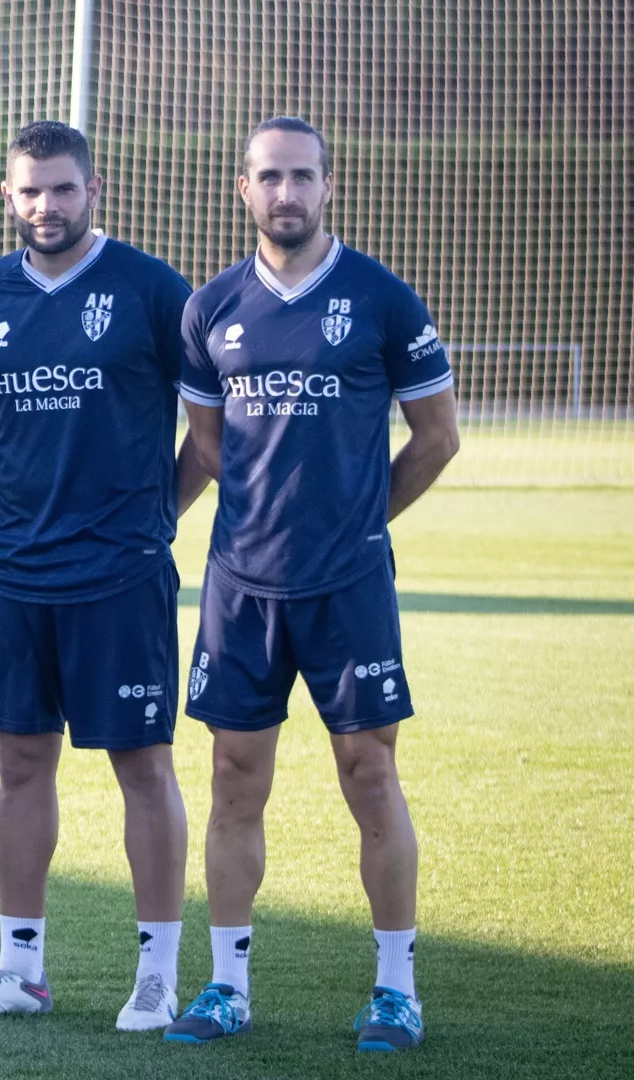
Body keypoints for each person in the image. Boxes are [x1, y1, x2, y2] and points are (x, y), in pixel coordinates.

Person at [164, 116, 460, 1051]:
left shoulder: (381, 299)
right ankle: (226, 986)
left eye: (301, 177)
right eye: (268, 177)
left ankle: (397, 989)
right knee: (231, 780)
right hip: (240, 586)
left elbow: (438, 437)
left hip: (349, 587)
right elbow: (207, 447)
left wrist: (363, 519)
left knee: (371, 775)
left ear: (328, 187)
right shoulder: (209, 309)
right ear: (240, 188)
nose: (285, 193)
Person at [0, 121, 204, 1031]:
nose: (46, 207)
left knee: (142, 764)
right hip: (10, 569)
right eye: (30, 191)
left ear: (96, 191)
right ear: (7, 197)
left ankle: (158, 974)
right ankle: (21, 970)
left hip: (119, 572)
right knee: (19, 764)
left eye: (62, 189)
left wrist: (157, 513)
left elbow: (207, 432)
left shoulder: (153, 289)